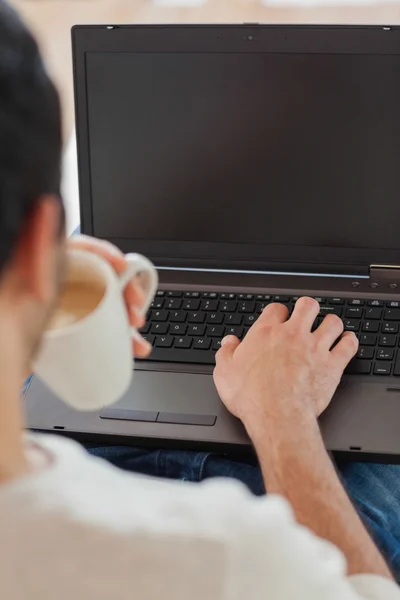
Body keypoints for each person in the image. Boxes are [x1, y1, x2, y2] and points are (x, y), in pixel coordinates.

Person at [0, 2, 399, 598]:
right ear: (43, 239)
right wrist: (281, 414)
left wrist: (36, 325)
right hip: (284, 480)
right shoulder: (232, 556)